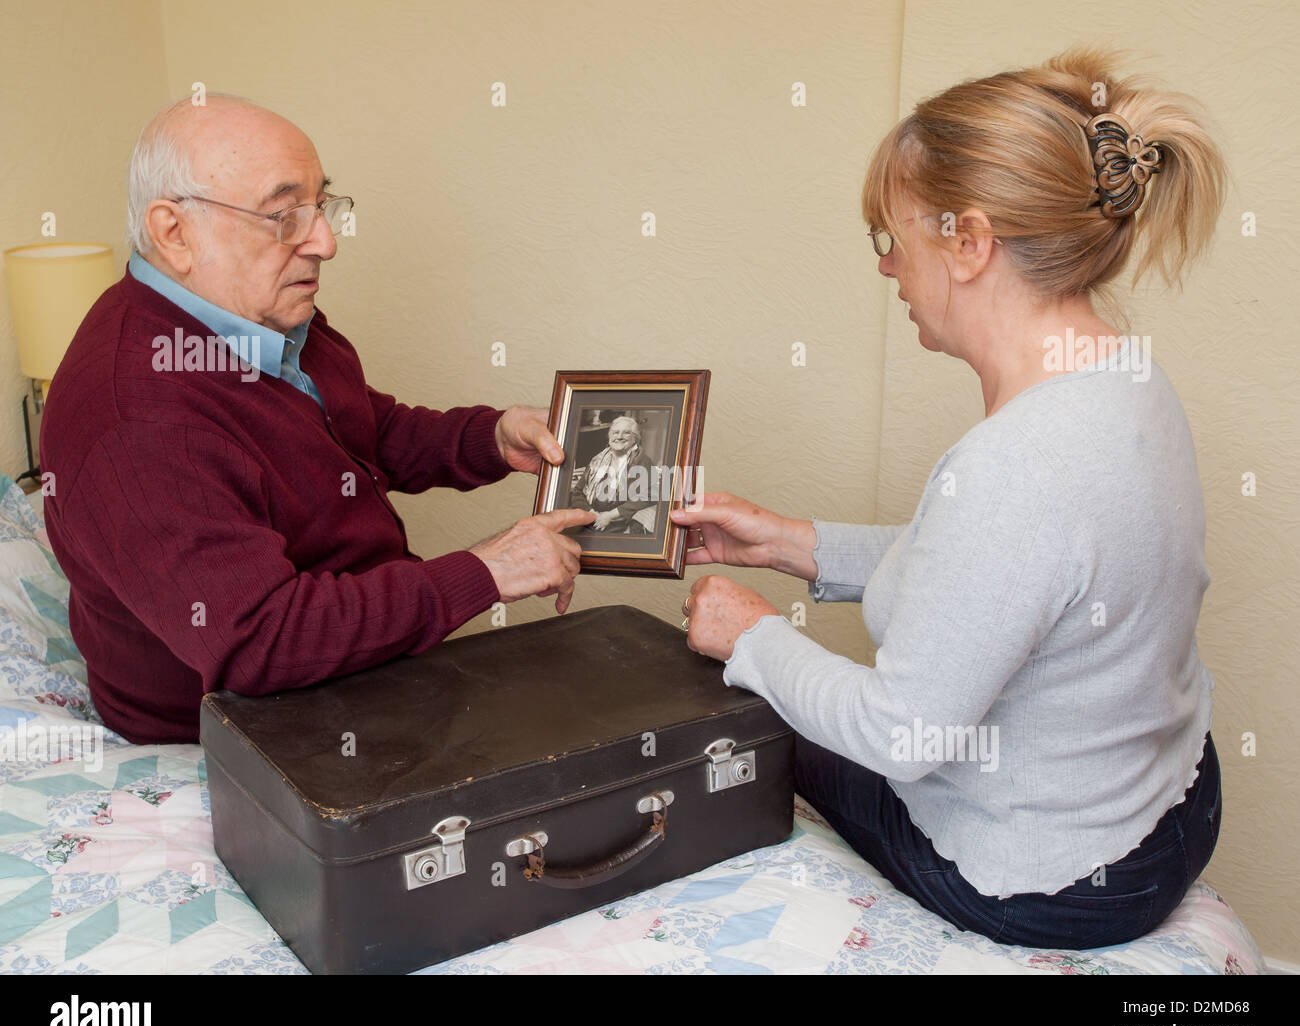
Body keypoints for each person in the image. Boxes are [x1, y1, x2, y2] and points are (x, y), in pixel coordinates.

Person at [670, 48, 1226, 949]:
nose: (888, 269)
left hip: (1058, 880)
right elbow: (1007, 570)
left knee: (733, 700)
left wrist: (753, 636)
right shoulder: (1129, 377)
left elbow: (904, 735)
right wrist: (784, 543)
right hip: (1176, 806)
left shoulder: (1016, 464)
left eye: (893, 238)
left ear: (969, 243)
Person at [39, 95, 593, 745]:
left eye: (321, 206)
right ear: (173, 233)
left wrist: (487, 437)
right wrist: (485, 571)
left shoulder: (254, 308)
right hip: (249, 726)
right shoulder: (135, 418)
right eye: (283, 216)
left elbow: (357, 426)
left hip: (361, 670)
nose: (324, 242)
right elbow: (261, 642)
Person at [568, 415, 657, 534]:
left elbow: (649, 496)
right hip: (590, 519)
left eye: (626, 433)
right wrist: (592, 514)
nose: (619, 437)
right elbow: (577, 492)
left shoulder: (643, 461)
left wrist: (610, 516)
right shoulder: (597, 460)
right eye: (615, 432)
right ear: (609, 436)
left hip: (620, 524)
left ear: (635, 438)